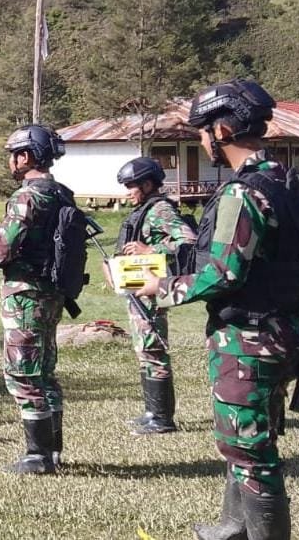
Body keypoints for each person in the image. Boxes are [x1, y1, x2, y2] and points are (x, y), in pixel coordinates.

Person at [137, 79, 299, 540]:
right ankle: (233, 527)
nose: (203, 141)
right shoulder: (289, 182)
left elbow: (222, 273)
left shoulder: (242, 194)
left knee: (250, 448)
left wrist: (162, 287)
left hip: (249, 340)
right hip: (286, 327)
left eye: (203, 131)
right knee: (246, 439)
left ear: (222, 130)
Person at [0, 124, 72, 475]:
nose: (10, 162)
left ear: (26, 156)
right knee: (45, 372)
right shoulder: (61, 194)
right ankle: (54, 451)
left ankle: (37, 455)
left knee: (23, 373)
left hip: (25, 294)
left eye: (13, 155)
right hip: (52, 293)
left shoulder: (26, 197)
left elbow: (5, 247)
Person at [114, 156, 197, 435]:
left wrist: (152, 252)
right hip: (137, 288)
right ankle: (152, 411)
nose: (128, 192)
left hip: (152, 290)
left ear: (148, 184)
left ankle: (162, 418)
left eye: (132, 186)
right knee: (143, 349)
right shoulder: (145, 209)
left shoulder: (160, 209)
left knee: (153, 348)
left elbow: (189, 241)